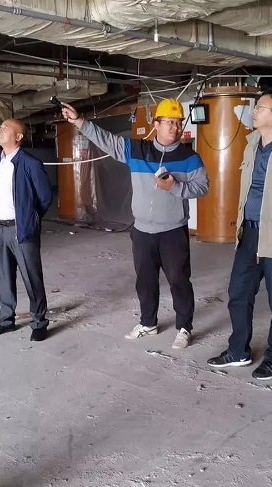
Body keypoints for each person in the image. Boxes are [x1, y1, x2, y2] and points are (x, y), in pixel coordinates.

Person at [61, 99, 209, 349]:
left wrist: (175, 187)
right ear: (156, 124)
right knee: (145, 280)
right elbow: (106, 139)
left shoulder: (190, 158)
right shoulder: (136, 150)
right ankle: (148, 323)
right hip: (142, 231)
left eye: (178, 122)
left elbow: (202, 187)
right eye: (170, 122)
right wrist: (80, 121)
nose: (175, 127)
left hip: (173, 231)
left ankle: (184, 327)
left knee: (179, 280)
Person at [207, 88, 272, 380]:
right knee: (238, 293)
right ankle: (238, 351)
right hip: (248, 233)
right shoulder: (251, 145)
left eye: (260, 107)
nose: (254, 111)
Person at [0, 119, 53, 342]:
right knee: (5, 277)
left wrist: (30, 219)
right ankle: (6, 321)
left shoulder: (30, 163)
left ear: (19, 137)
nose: (0, 130)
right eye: (0, 127)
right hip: (0, 228)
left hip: (21, 229)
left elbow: (45, 197)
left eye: (6, 128)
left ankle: (39, 322)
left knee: (32, 277)